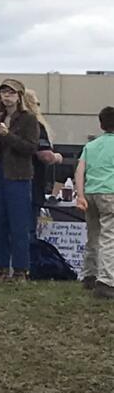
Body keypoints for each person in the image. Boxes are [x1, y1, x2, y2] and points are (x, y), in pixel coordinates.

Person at [0, 78, 40, 283]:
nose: (6, 97)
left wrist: (7, 135)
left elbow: (30, 148)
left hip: (19, 177)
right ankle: (0, 269)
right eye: (3, 93)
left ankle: (20, 269)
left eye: (10, 93)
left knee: (19, 225)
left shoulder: (28, 119)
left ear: (19, 97)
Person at [74, 107, 114, 299]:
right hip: (110, 193)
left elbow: (79, 171)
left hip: (90, 193)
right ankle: (106, 281)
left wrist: (80, 195)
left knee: (93, 235)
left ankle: (89, 275)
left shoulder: (91, 145)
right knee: (109, 238)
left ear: (101, 124)